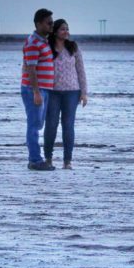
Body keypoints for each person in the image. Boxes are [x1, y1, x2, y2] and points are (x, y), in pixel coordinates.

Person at [43, 19, 88, 170]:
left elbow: (81, 70)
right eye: (63, 29)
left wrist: (84, 93)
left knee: (68, 126)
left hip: (72, 92)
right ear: (55, 31)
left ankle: (67, 161)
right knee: (51, 125)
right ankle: (48, 158)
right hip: (52, 92)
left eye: (67, 29)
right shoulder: (47, 47)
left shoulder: (73, 47)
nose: (66, 32)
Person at [21, 8, 56, 171]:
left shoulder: (43, 41)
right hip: (34, 89)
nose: (51, 25)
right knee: (34, 125)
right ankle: (35, 160)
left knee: (37, 125)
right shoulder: (33, 43)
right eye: (48, 23)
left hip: (44, 89)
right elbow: (31, 69)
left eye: (52, 22)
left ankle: (35, 159)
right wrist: (36, 92)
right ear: (38, 23)